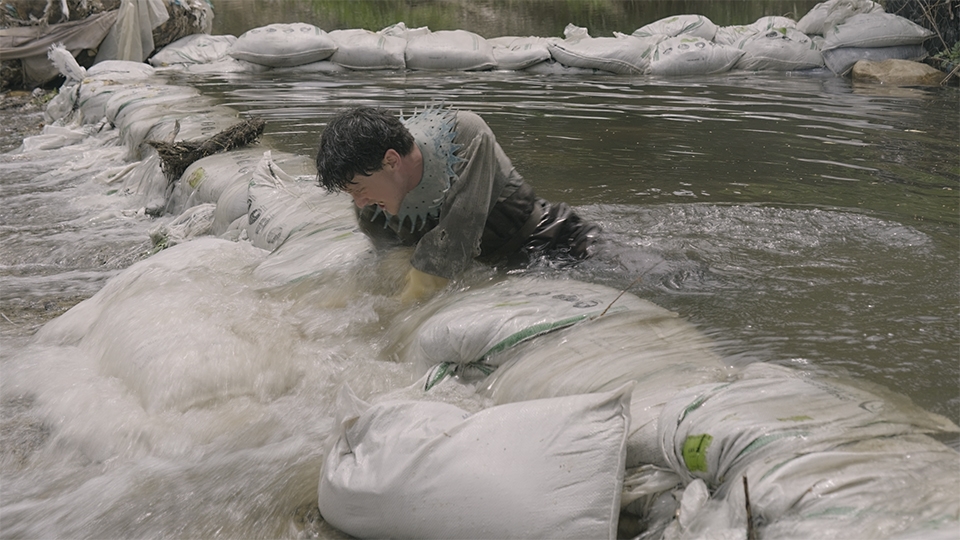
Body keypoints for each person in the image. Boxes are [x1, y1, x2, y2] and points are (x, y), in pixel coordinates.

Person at [315, 105, 600, 302]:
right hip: (487, 262)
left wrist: (396, 312)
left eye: (360, 189)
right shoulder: (369, 200)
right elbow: (390, 257)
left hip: (550, 244)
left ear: (391, 161)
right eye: (350, 194)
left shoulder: (464, 136)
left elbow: (454, 242)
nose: (360, 201)